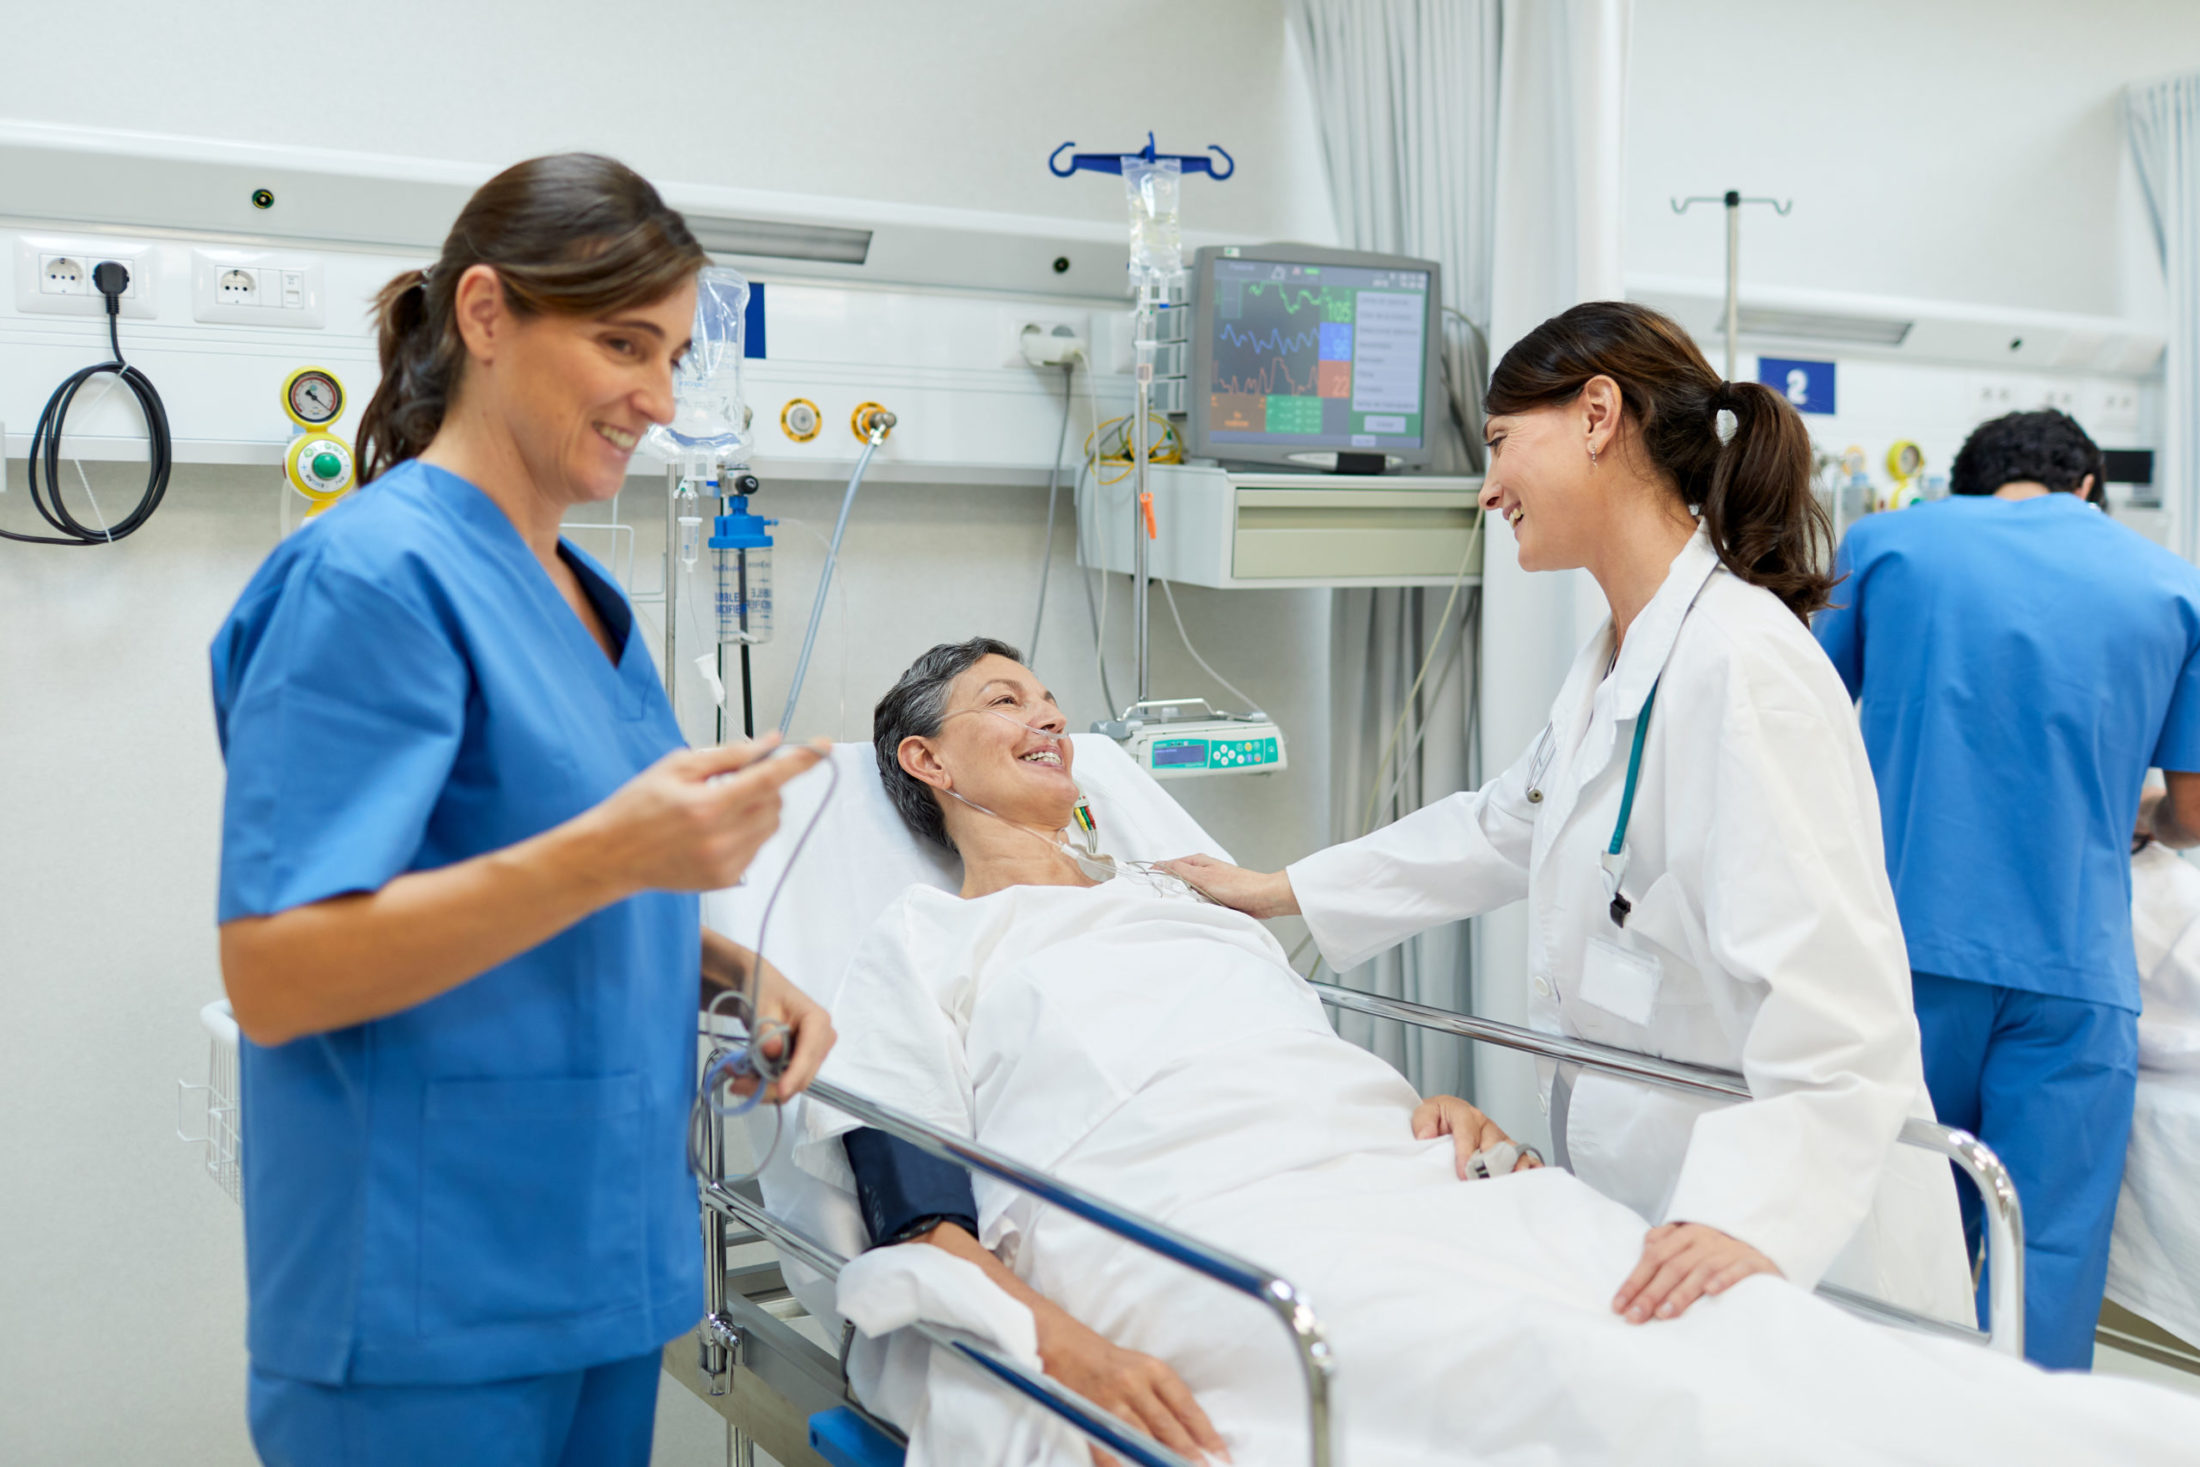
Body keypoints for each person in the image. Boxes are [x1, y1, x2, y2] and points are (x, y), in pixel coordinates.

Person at [795, 639, 2199, 1467]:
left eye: (1050, 698)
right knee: (1528, 1354)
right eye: (1001, 702)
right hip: (1183, 1214)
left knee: (1682, 1307)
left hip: (1393, 1172)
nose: (1048, 717)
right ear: (927, 765)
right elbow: (922, 1210)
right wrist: (1080, 1353)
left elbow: (1295, 1053)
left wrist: (1437, 1101)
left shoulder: (1181, 899)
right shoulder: (919, 949)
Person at [1164, 301, 1973, 1329]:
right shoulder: (1625, 653)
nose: (1488, 487)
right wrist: (1277, 891)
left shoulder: (1738, 666)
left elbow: (1835, 1014)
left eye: (1500, 443)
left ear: (1598, 414)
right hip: (1658, 1215)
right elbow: (1507, 823)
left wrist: (1749, 1220)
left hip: (1788, 1241)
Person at [211, 154, 835, 1467]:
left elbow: (546, 880)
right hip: (426, 1303)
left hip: (606, 1265)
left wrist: (725, 968)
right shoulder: (370, 579)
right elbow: (278, 968)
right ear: (488, 315)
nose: (657, 399)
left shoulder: (584, 600)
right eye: (623, 343)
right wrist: (624, 847)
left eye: (671, 355)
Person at [1812, 408, 2200, 1367]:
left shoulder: (1888, 544)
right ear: (2085, 491)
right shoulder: (2174, 587)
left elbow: (1798, 727)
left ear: (1966, 484)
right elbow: (2195, 811)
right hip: (2078, 979)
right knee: (2046, 1260)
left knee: (1887, 1248)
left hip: (1904, 961)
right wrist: (2143, 816)